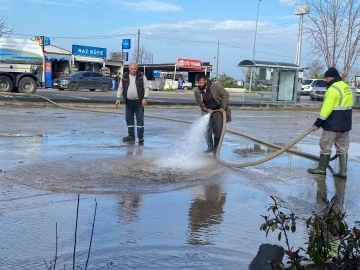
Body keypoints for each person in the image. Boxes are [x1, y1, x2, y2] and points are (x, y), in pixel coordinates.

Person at [308, 67, 353, 179]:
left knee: (325, 146)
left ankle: (321, 169)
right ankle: (343, 172)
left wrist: (318, 123)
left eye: (326, 77)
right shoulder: (346, 87)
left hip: (332, 125)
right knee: (343, 148)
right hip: (345, 125)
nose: (324, 80)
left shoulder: (332, 89)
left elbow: (326, 109)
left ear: (332, 77)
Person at [194, 74, 231, 153]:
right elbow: (199, 102)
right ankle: (210, 147)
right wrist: (205, 109)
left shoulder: (215, 87)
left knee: (218, 129)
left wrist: (223, 107)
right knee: (207, 129)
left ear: (206, 81)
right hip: (207, 111)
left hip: (218, 110)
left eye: (201, 82)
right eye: (198, 83)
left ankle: (216, 147)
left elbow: (226, 94)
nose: (199, 84)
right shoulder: (197, 90)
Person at [115, 62, 149, 144]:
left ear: (137, 69)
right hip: (128, 102)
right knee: (129, 120)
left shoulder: (141, 76)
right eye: (132, 69)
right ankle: (131, 136)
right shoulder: (124, 76)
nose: (133, 70)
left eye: (135, 69)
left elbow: (146, 87)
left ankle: (140, 137)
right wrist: (118, 98)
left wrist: (145, 98)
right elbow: (120, 88)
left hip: (139, 102)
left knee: (140, 121)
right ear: (129, 69)